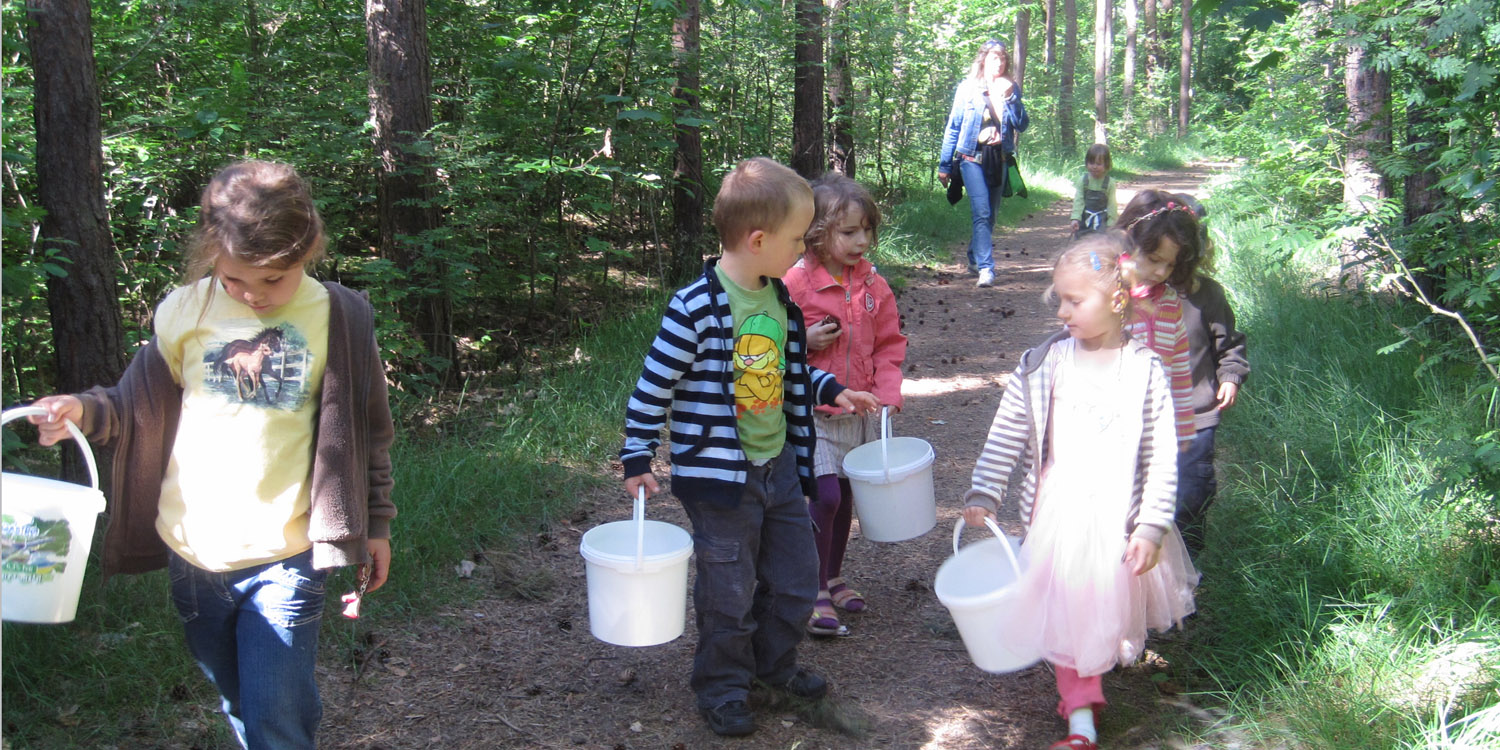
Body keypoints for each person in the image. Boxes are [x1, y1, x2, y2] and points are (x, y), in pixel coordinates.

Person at [25, 160, 395, 750]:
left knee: (278, 716)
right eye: (234, 281)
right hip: (192, 554)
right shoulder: (183, 313)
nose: (254, 296)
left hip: (287, 554)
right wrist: (80, 410)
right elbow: (132, 403)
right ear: (210, 257)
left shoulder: (341, 318)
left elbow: (371, 430)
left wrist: (375, 522)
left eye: (274, 280)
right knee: (239, 701)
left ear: (308, 249)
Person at [619, 157, 880, 737]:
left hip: (780, 467)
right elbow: (653, 386)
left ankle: (774, 667)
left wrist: (834, 388)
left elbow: (786, 376)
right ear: (758, 239)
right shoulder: (694, 308)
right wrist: (637, 454)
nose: (803, 248)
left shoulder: (781, 304)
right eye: (796, 238)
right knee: (728, 590)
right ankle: (723, 685)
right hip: (719, 481)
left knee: (794, 577)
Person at [962, 232, 1198, 750]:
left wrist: (1151, 525)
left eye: (1075, 300)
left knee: (1097, 610)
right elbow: (1008, 431)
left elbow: (1161, 456)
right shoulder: (1046, 363)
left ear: (1116, 300)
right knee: (1070, 610)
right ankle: (1081, 717)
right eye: (1060, 299)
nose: (1062, 312)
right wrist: (985, 491)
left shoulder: (1143, 371)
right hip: (1058, 514)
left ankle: (1086, 681)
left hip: (1116, 516)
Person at [783, 174, 907, 637]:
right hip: (812, 413)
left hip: (859, 411)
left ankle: (833, 575)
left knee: (848, 496)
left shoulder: (873, 285)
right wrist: (804, 340)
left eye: (865, 230)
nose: (861, 241)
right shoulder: (795, 283)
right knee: (824, 496)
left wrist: (889, 393)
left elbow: (889, 344)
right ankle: (811, 586)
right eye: (848, 232)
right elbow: (768, 343)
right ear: (817, 233)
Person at [1171, 197, 1249, 554]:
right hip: (1142, 418)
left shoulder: (1208, 296)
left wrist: (1231, 375)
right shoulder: (1137, 297)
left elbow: (1229, 344)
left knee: (1190, 493)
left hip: (1196, 416)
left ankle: (1187, 568)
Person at [1116, 189, 1209, 451]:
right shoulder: (1104, 297)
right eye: (1154, 259)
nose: (1160, 272)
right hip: (1108, 427)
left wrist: (1183, 428)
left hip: (1155, 430)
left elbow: (1179, 369)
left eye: (1169, 265)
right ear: (1126, 244)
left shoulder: (1170, 304)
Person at [937, 38, 1030, 289]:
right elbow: (953, 127)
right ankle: (986, 268)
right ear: (983, 60)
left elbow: (1022, 124)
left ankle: (973, 257)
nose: (998, 63)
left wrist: (1011, 99)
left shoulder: (1011, 88)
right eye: (993, 58)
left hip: (999, 159)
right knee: (982, 212)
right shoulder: (967, 88)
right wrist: (944, 165)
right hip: (971, 159)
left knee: (990, 216)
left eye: (1002, 59)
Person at [1070, 144, 1117, 238]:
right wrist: (1075, 218)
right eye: (1091, 163)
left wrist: (1111, 223)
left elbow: (1112, 204)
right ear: (1087, 163)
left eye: (1098, 164)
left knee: (1100, 245)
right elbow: (1078, 201)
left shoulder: (1109, 183)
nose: (1094, 167)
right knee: (1080, 244)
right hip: (1084, 221)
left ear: (1106, 165)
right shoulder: (1083, 181)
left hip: (1102, 222)